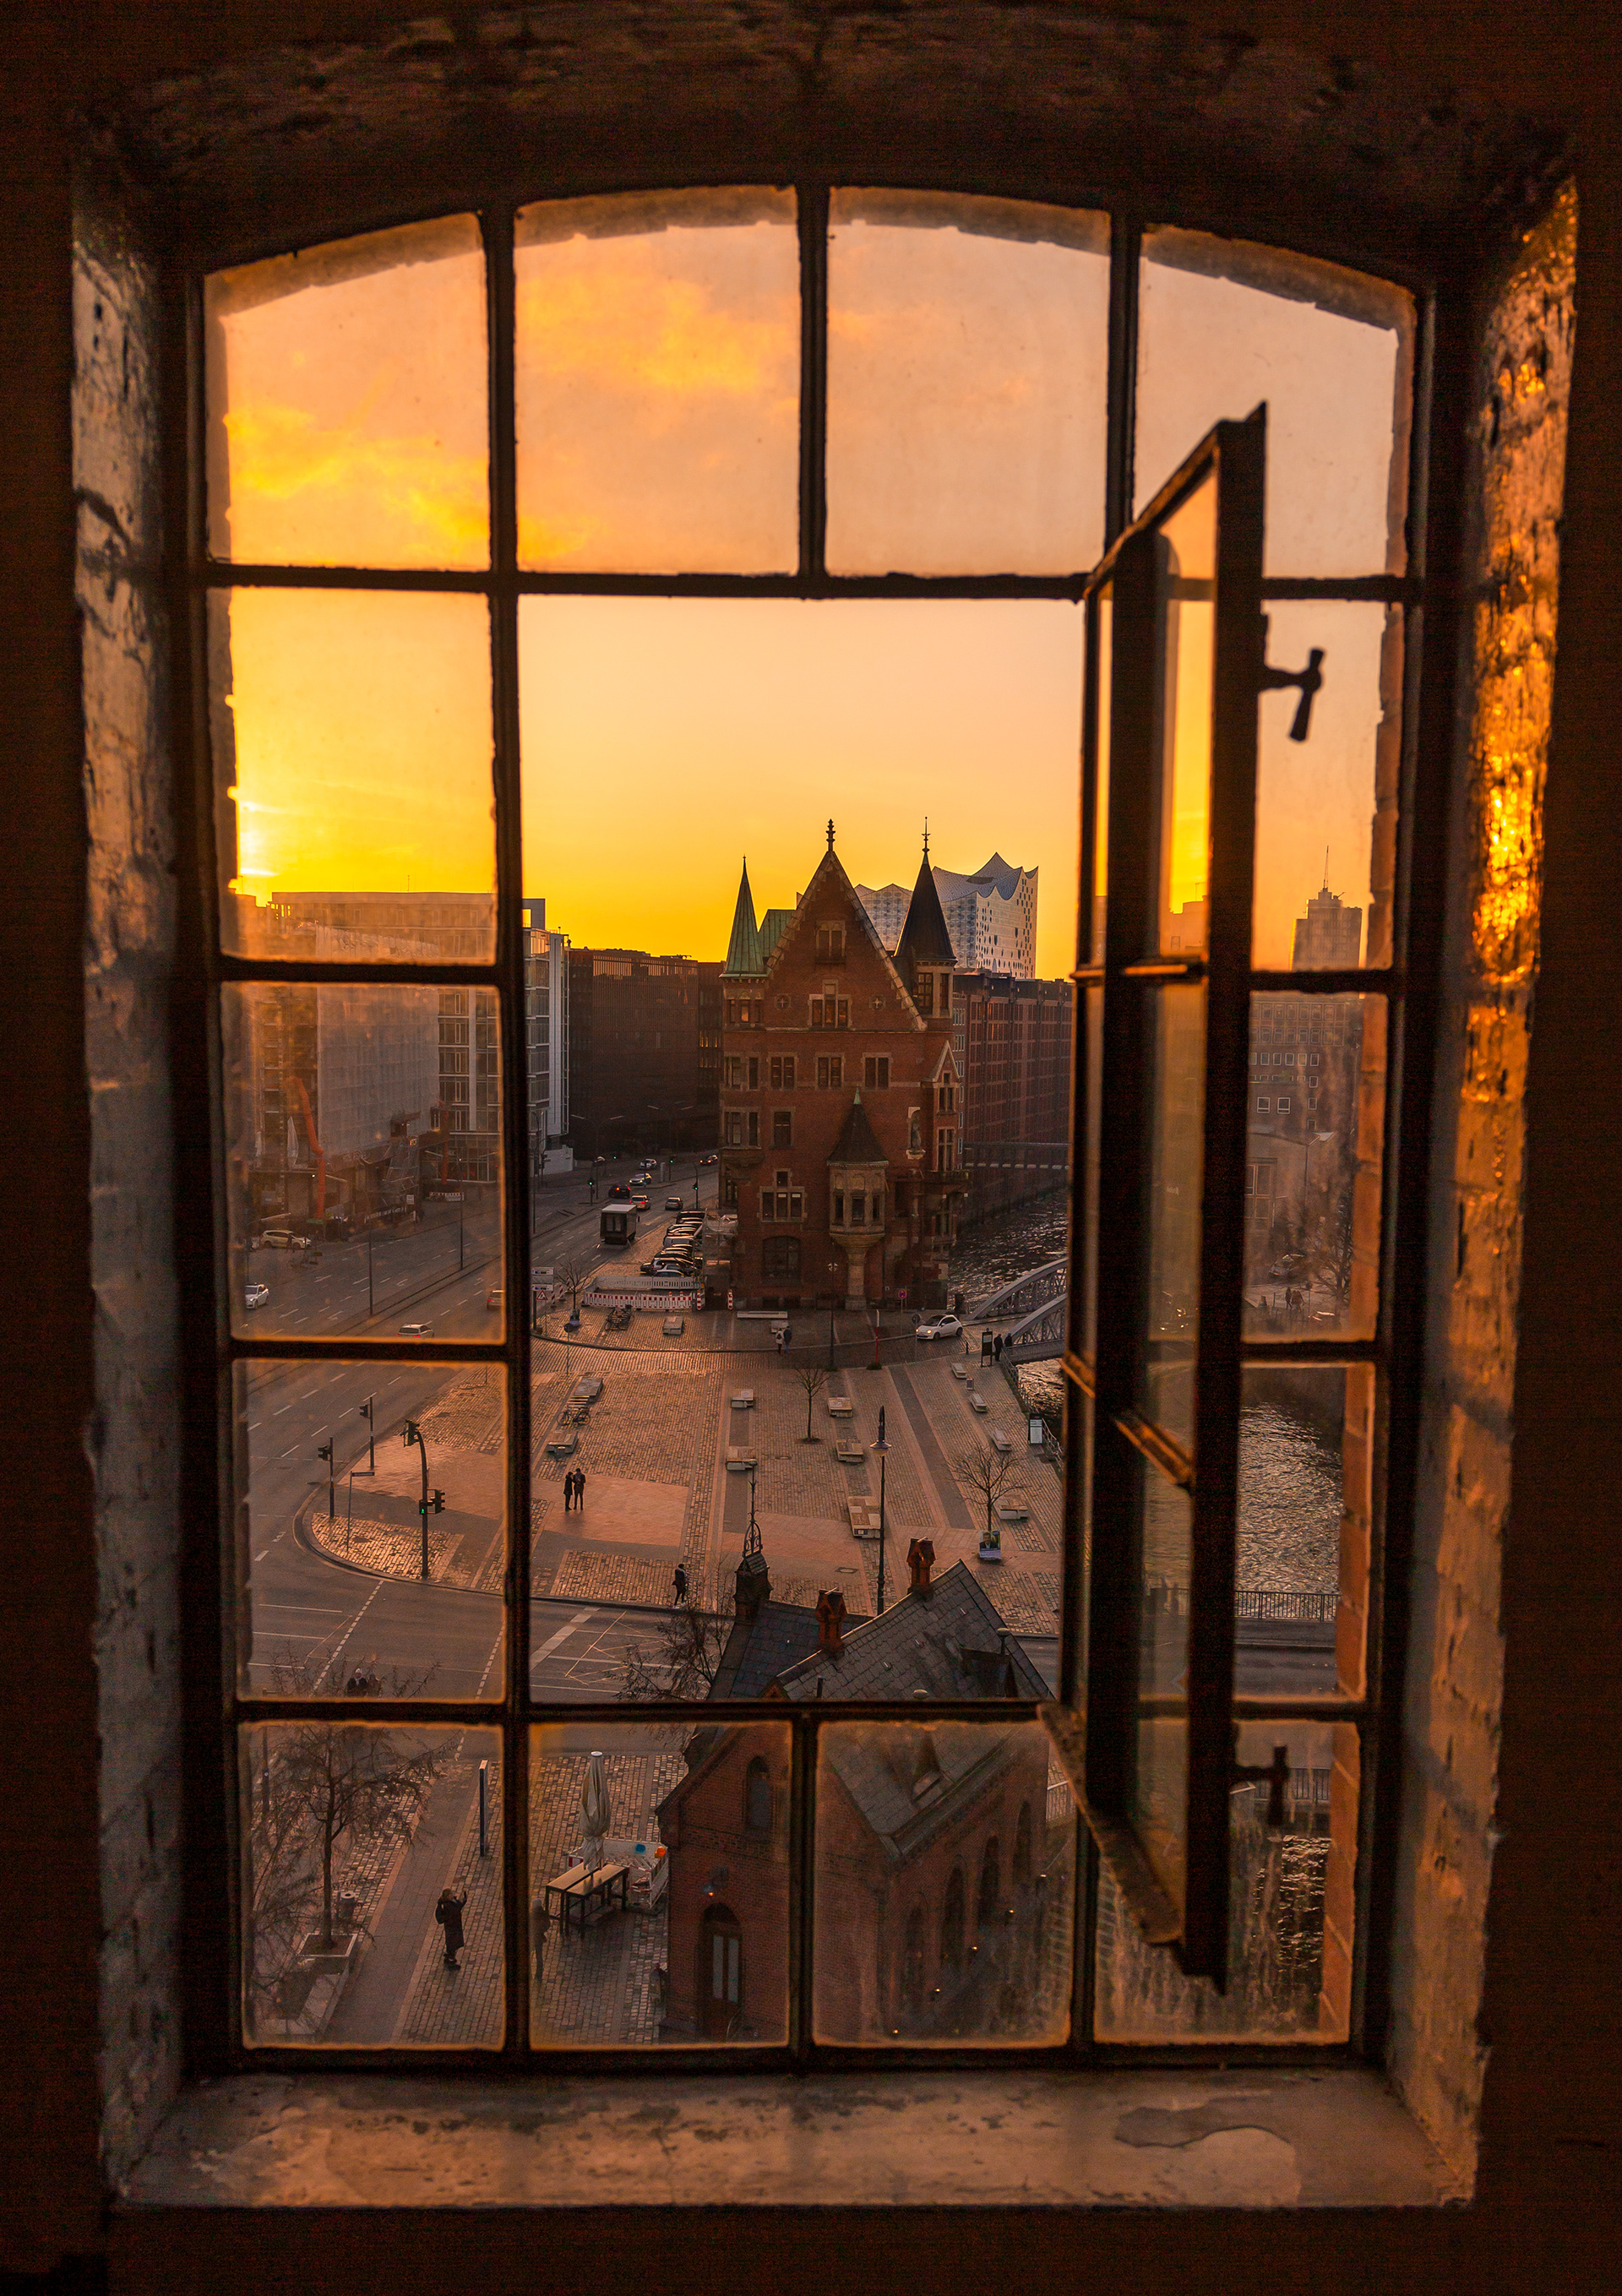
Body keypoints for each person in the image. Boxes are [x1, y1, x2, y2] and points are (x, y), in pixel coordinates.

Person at [435, 1885, 468, 1970]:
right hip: (452, 1928)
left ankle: (449, 1956)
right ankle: (451, 1960)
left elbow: (457, 1908)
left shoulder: (451, 1902)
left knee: (452, 1943)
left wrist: (463, 1902)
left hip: (454, 1926)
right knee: (453, 1943)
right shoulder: (448, 1905)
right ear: (448, 1896)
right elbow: (455, 1911)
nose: (453, 1894)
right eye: (451, 1893)